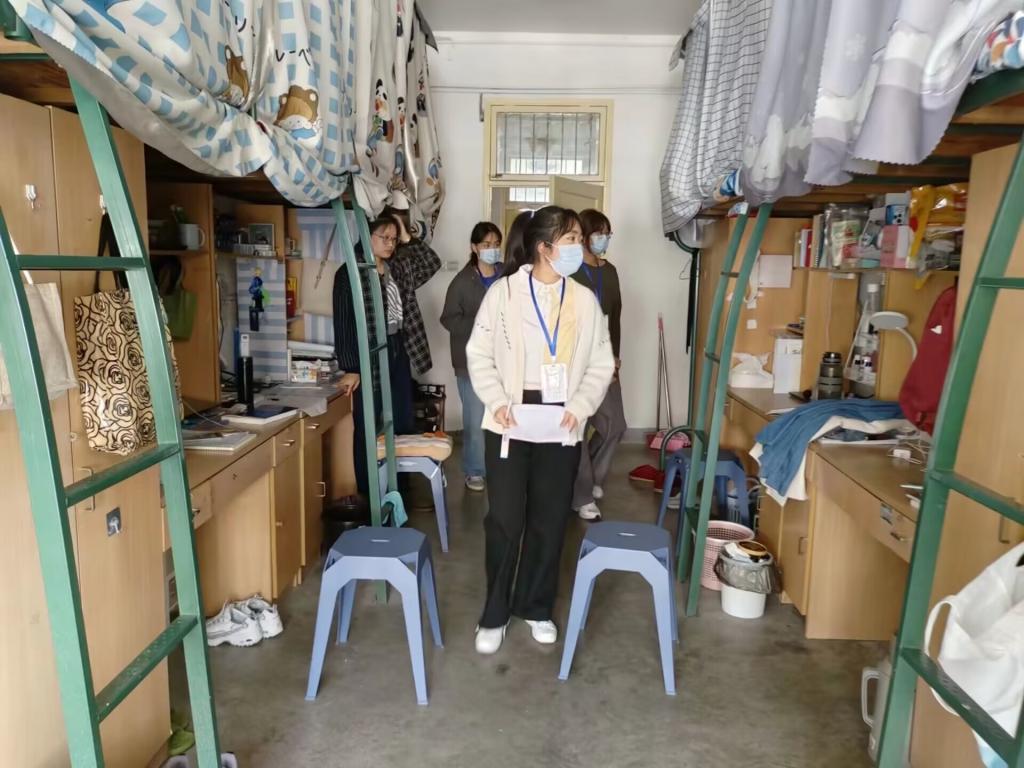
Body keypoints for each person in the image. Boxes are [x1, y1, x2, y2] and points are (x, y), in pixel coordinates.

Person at [466, 206, 615, 655]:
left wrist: (581, 406)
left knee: (550, 520)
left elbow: (601, 362)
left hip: (561, 422)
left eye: (579, 240)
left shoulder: (583, 299)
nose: (579, 247)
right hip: (509, 420)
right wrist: (497, 401)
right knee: (505, 520)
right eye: (571, 240)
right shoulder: (504, 293)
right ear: (544, 247)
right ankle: (494, 614)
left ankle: (535, 606)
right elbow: (479, 354)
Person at [333, 210, 441, 493]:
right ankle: (370, 493)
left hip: (397, 348)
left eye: (394, 239)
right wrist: (351, 367)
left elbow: (432, 262)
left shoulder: (399, 266)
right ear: (367, 235)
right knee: (369, 425)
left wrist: (406, 235)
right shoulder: (350, 273)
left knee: (402, 420)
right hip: (368, 355)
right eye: (385, 237)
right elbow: (343, 322)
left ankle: (398, 490)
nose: (391, 244)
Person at [569, 209, 626, 521]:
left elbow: (615, 318)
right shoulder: (570, 272)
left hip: (605, 358)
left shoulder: (611, 271)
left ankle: (589, 480)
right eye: (598, 233)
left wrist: (614, 357)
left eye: (607, 233)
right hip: (575, 360)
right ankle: (582, 497)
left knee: (614, 425)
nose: (604, 239)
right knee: (577, 427)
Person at [440, 221, 503, 492]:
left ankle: (501, 468)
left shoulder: (507, 276)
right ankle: (475, 470)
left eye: (496, 244)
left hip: (504, 363)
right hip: (471, 364)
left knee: (502, 418)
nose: (492, 249)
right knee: (475, 421)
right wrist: (479, 325)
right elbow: (448, 319)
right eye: (486, 244)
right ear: (474, 248)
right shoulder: (462, 282)